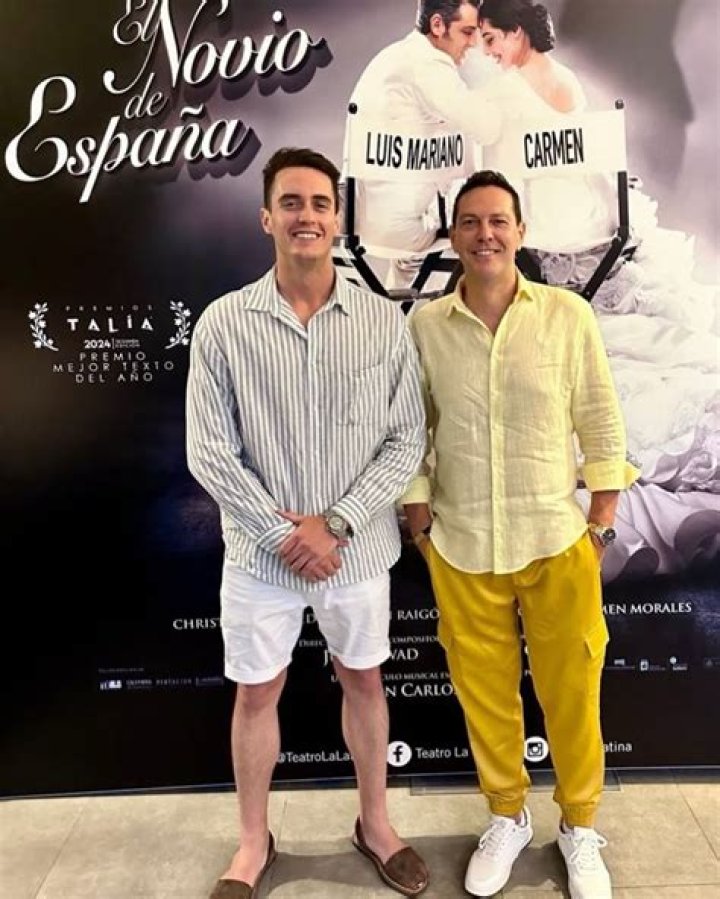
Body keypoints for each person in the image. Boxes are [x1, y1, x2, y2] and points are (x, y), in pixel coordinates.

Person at [186, 146, 429, 899]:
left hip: (355, 555)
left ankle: (376, 825)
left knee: (364, 679)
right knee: (257, 693)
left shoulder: (382, 322)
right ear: (267, 217)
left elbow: (407, 438)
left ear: (338, 218)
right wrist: (283, 534)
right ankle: (252, 842)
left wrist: (338, 524)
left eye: (320, 203)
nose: (307, 216)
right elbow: (208, 450)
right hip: (260, 560)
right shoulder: (224, 324)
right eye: (291, 202)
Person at [402, 170, 639, 899]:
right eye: (470, 222)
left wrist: (600, 526)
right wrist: (420, 521)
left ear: (520, 231)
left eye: (498, 220)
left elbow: (599, 416)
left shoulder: (567, 315)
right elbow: (411, 430)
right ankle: (506, 815)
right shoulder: (425, 326)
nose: (485, 234)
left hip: (556, 541)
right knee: (485, 697)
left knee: (574, 694)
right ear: (452, 236)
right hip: (462, 545)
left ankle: (579, 826)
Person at [472, 0, 720, 582]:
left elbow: (510, 179)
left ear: (516, 33)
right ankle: (654, 524)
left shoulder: (511, 94)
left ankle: (638, 526)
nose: (484, 50)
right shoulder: (559, 80)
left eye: (490, 37)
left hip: (563, 241)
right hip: (581, 237)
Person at [343, 0, 502, 289]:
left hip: (358, 222)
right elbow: (487, 128)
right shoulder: (428, 65)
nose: (473, 43)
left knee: (415, 255)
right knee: (503, 224)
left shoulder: (394, 56)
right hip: (401, 231)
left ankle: (396, 312)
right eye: (467, 32)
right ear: (437, 25)